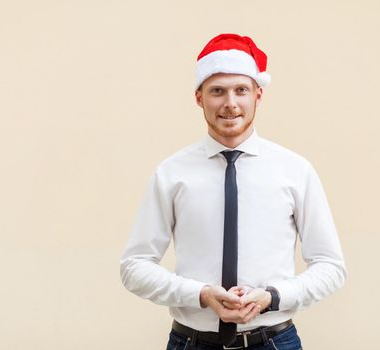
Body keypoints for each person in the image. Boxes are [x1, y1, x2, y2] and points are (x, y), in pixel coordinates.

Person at [120, 33, 347, 350]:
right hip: (192, 342)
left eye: (241, 90)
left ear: (258, 95)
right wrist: (200, 294)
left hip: (273, 341)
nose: (230, 103)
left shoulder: (295, 170)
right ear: (199, 98)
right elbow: (134, 266)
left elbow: (331, 266)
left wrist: (273, 297)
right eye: (217, 91)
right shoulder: (171, 174)